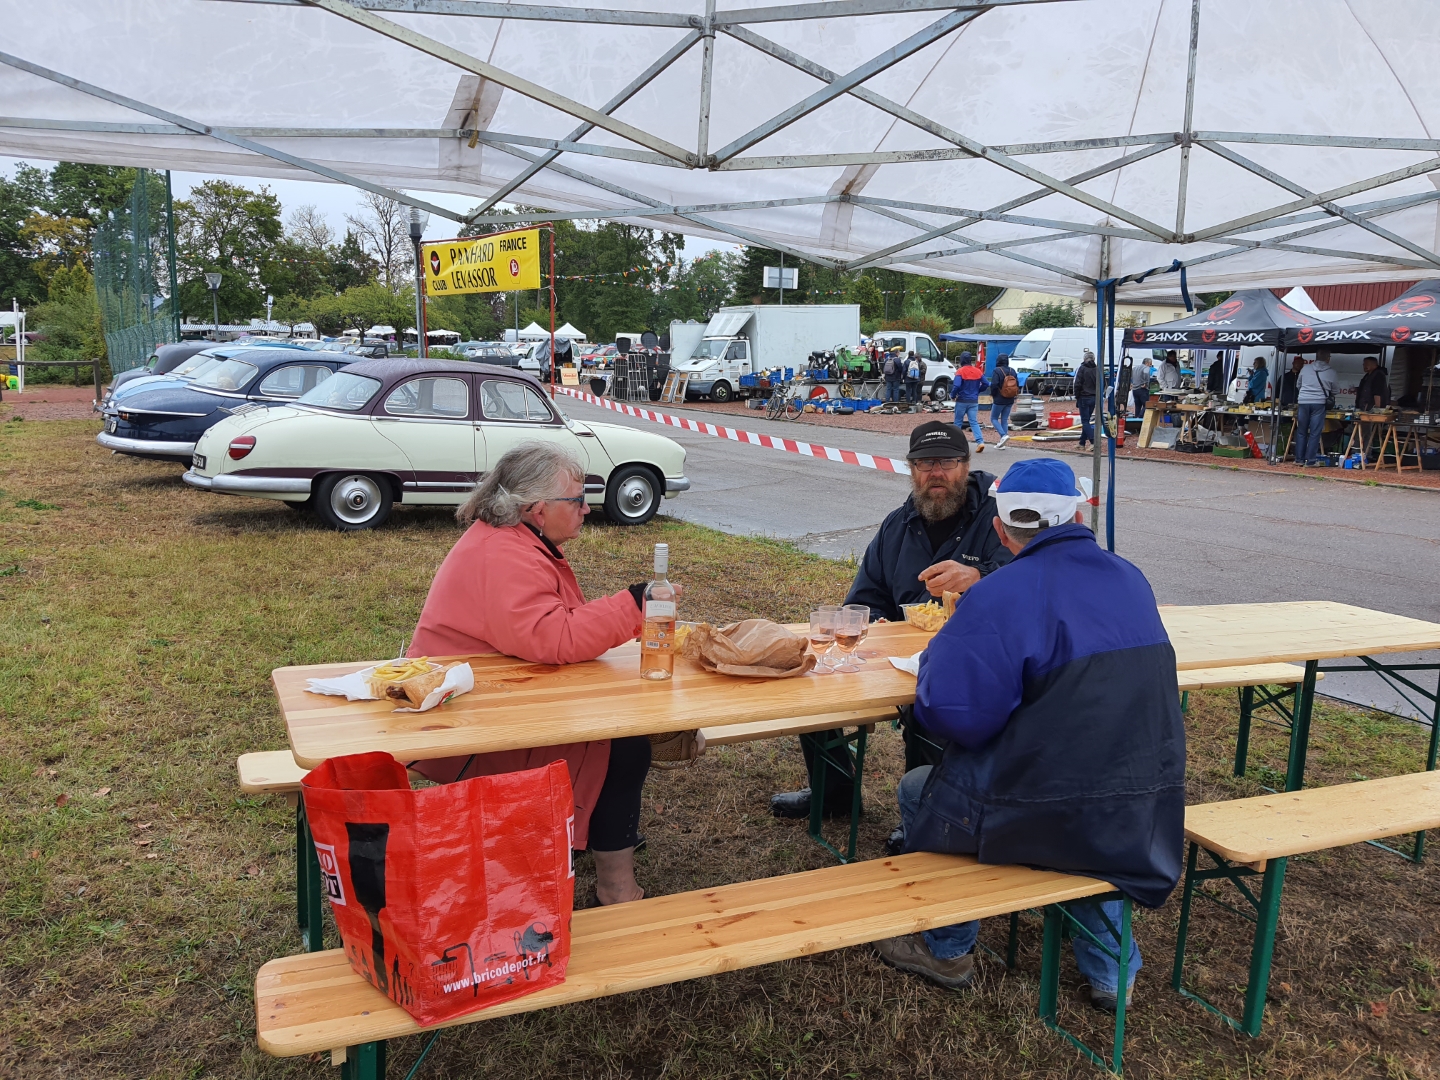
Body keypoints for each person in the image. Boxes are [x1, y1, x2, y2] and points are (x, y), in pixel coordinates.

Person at [873, 458, 1185, 1007]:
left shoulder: (998, 594)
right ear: (1079, 517)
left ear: (1000, 529)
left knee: (920, 789)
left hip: (1048, 807)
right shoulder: (1131, 578)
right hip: (1142, 801)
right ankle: (1112, 973)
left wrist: (941, 664)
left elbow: (956, 718)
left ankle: (946, 948)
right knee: (1095, 810)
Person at [406, 442, 675, 907]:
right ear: (537, 509)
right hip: (470, 724)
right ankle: (615, 886)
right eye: (577, 500)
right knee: (623, 746)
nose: (586, 509)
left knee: (622, 733)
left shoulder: (512, 541)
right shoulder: (504, 553)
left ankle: (594, 834)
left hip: (490, 698)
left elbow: (549, 632)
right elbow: (555, 639)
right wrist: (635, 603)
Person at [769, 421, 1011, 822]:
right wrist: (874, 623)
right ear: (912, 469)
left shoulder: (997, 519)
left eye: (947, 463)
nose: (936, 473)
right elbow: (864, 597)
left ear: (966, 467)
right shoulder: (898, 525)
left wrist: (978, 577)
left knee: (932, 704)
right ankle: (834, 795)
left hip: (972, 655)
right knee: (815, 675)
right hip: (900, 657)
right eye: (925, 464)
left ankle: (926, 816)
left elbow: (1026, 579)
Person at [1293, 352, 1337, 466]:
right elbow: (1335, 390)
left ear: (1315, 358)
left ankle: (1299, 459)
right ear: (1328, 359)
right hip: (1319, 403)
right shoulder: (1331, 372)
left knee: (1301, 431)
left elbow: (1298, 385)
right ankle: (1310, 461)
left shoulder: (1305, 369)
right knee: (1314, 432)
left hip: (1303, 402)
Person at [952, 351, 986, 452]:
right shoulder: (978, 371)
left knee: (958, 422)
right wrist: (978, 391)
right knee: (974, 422)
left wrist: (952, 395)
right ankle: (980, 442)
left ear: (961, 360)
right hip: (973, 401)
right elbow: (986, 383)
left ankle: (955, 444)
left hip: (962, 400)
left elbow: (956, 385)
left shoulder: (960, 371)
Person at [988, 353, 1019, 449]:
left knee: (993, 418)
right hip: (1010, 398)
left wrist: (993, 394)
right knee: (1004, 419)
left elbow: (994, 384)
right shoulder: (1012, 370)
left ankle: (1003, 435)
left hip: (999, 398)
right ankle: (1003, 442)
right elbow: (1017, 384)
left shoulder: (997, 370)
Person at [1074, 348, 1098, 450]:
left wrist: (1077, 396)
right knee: (1087, 420)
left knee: (1085, 421)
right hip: (1094, 397)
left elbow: (1077, 384)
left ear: (1084, 359)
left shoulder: (1082, 368)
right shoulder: (1097, 369)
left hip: (1084, 397)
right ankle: (1082, 443)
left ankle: (1093, 442)